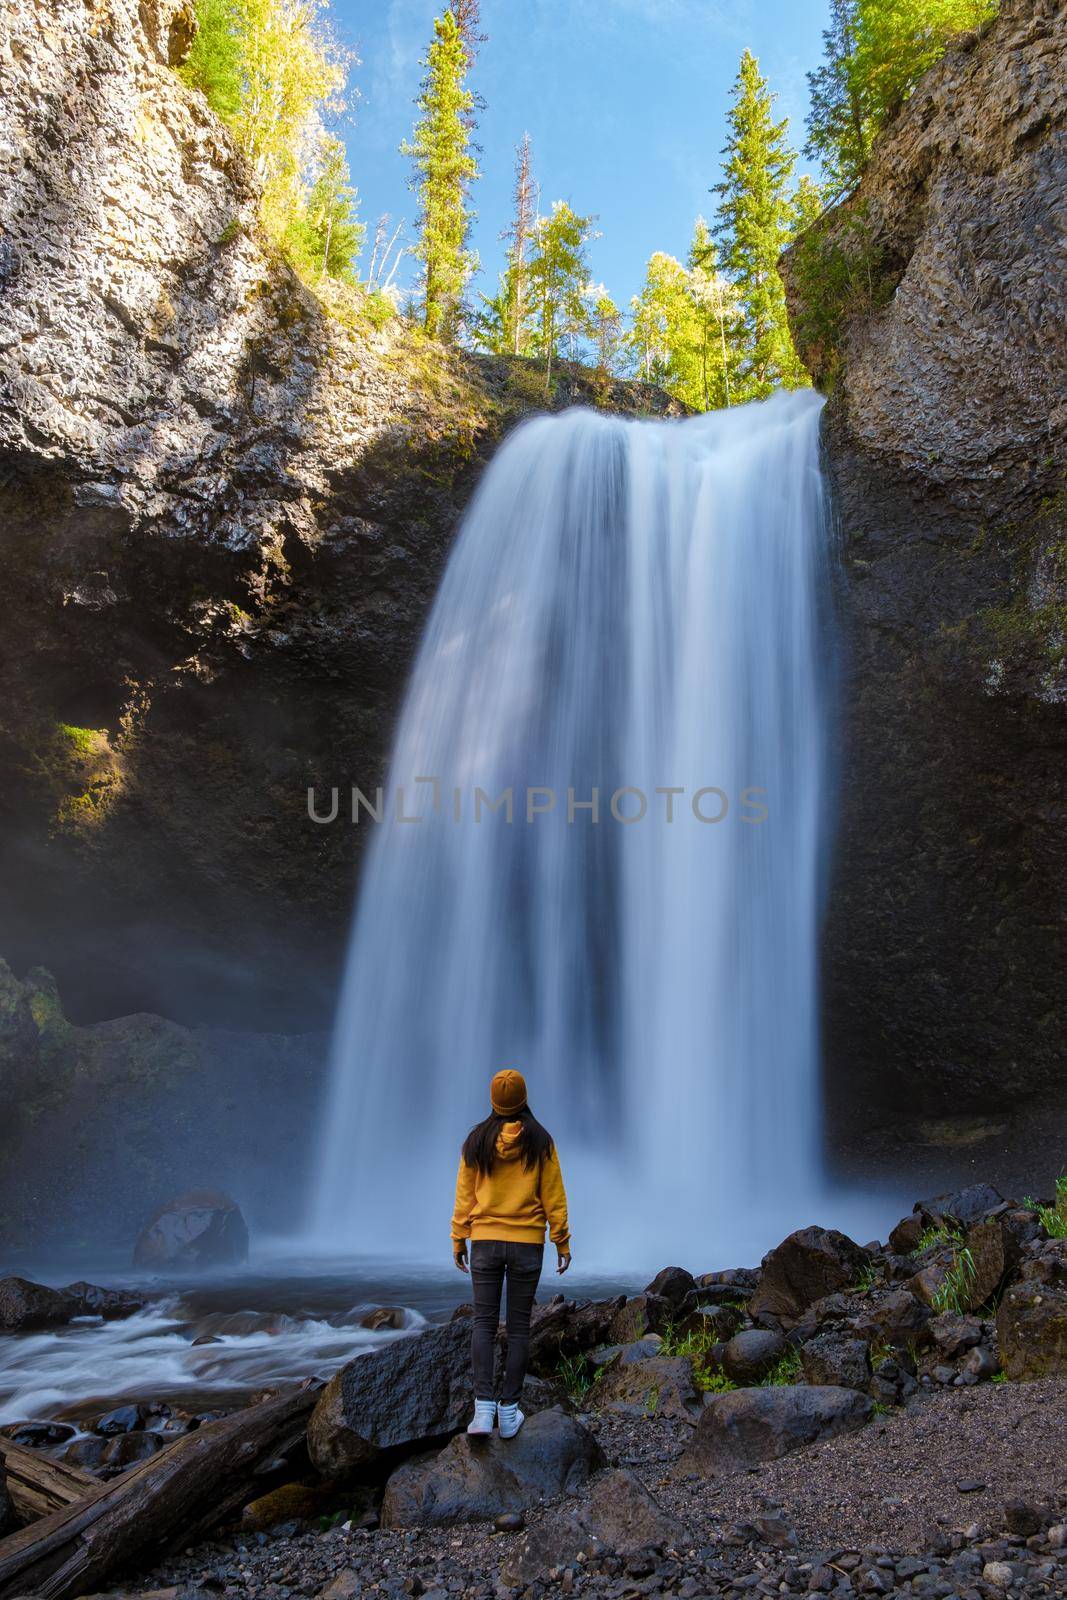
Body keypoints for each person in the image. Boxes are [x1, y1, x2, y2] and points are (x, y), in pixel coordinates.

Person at [451, 1068, 571, 1438]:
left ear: (494, 1102)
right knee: (519, 1328)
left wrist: (459, 1237)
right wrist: (561, 1240)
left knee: (483, 1325)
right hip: (526, 1244)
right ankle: (509, 1412)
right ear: (523, 1099)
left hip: (485, 1242)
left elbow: (465, 1195)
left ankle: (482, 1413)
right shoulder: (541, 1141)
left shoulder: (476, 1142)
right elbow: (554, 1194)